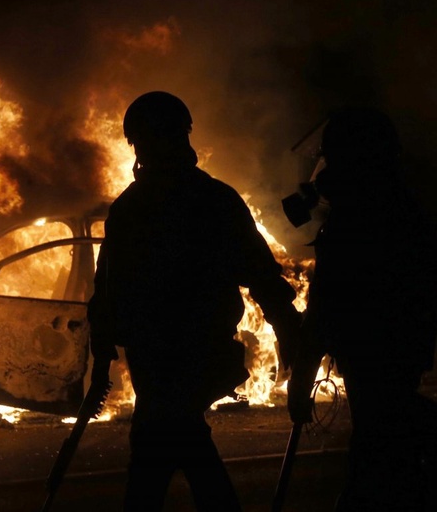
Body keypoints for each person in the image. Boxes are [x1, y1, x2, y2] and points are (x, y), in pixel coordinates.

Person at [87, 91, 303, 511]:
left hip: (184, 353)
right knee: (176, 443)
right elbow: (110, 290)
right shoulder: (205, 200)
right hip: (174, 353)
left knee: (156, 449)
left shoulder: (148, 206)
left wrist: (289, 328)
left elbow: (257, 273)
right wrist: (288, 326)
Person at [287, 106, 437, 511]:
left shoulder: (360, 219)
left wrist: (301, 377)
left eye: (332, 158)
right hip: (396, 349)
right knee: (390, 447)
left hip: (373, 350)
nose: (323, 170)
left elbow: (326, 304)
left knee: (377, 449)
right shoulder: (401, 208)